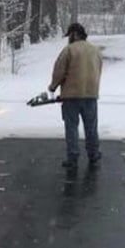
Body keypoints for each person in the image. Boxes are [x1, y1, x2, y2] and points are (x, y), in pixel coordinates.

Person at [48, 22, 103, 175]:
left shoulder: (69, 50)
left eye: (69, 36)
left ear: (74, 34)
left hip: (71, 96)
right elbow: (99, 70)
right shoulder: (95, 50)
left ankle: (73, 157)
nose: (68, 39)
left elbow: (59, 71)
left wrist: (53, 87)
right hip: (91, 95)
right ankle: (93, 154)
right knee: (91, 127)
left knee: (71, 127)